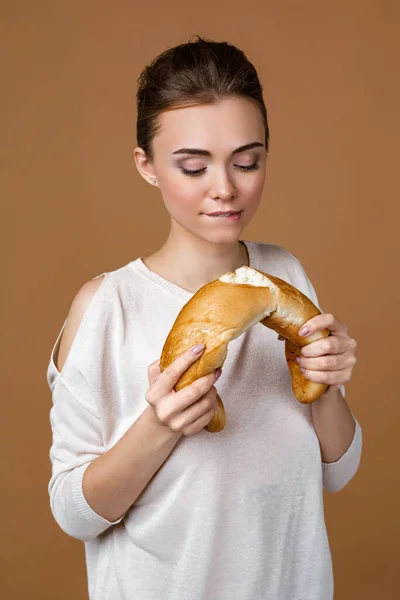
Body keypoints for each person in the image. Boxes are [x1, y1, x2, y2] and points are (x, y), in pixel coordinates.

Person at [46, 35, 362, 600]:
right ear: (146, 165)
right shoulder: (106, 306)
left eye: (248, 162)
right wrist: (158, 427)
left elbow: (334, 473)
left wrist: (330, 385)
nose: (225, 189)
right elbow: (74, 514)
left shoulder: (284, 275)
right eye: (194, 167)